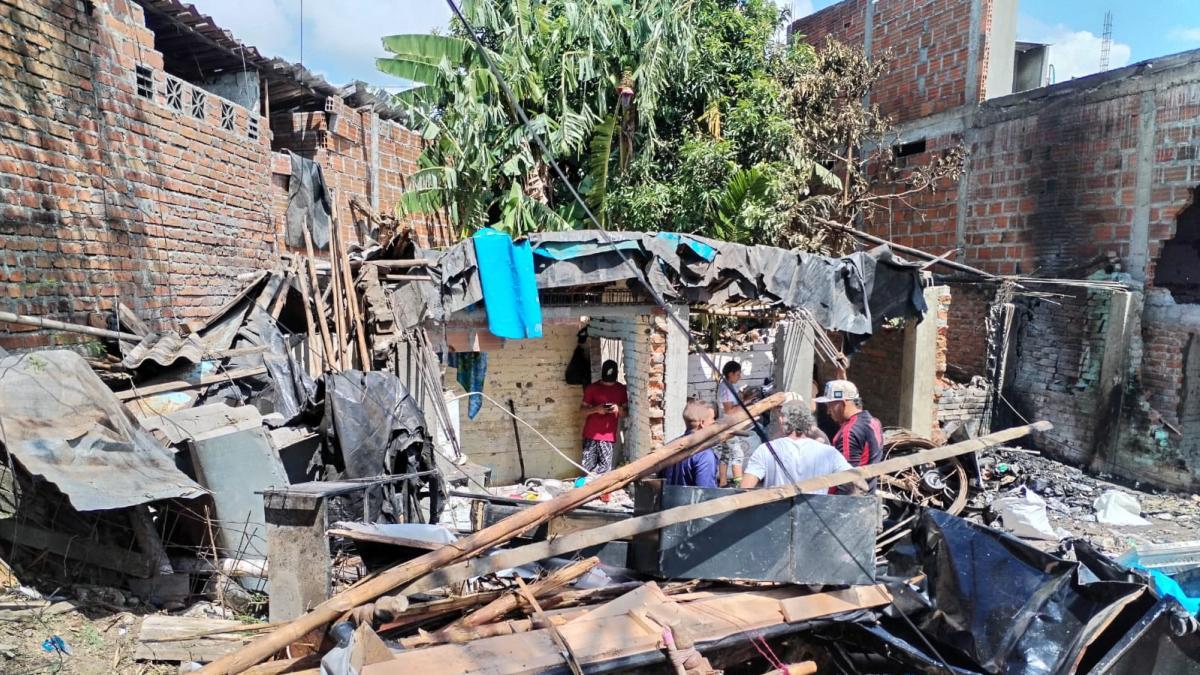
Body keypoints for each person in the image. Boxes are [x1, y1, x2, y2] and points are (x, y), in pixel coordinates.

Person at [741, 401, 868, 493]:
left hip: (775, 523)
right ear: (808, 421)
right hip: (814, 522)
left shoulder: (766, 450)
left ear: (781, 420)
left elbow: (744, 489)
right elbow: (861, 485)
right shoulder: (829, 453)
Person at [815, 379, 883, 493]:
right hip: (869, 497)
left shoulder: (849, 432)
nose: (828, 411)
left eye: (830, 405)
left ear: (842, 404)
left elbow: (847, 480)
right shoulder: (873, 422)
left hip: (851, 503)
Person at [580, 360, 628, 474]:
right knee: (587, 470)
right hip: (591, 435)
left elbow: (626, 413)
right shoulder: (592, 388)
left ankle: (602, 491)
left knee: (605, 471)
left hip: (608, 437)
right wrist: (596, 409)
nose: (608, 385)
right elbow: (581, 411)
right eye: (606, 383)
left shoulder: (621, 389)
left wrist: (618, 409)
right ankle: (586, 490)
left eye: (611, 383)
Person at [660, 400, 719, 487]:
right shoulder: (704, 454)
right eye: (713, 419)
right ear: (702, 423)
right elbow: (705, 492)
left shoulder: (669, 447)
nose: (714, 422)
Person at [715, 361, 745, 487]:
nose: (740, 376)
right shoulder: (726, 389)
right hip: (729, 426)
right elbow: (729, 410)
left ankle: (723, 483)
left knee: (726, 454)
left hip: (727, 425)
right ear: (730, 374)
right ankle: (740, 485)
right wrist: (746, 402)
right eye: (737, 374)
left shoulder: (730, 386)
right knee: (738, 454)